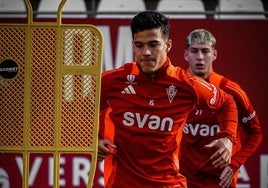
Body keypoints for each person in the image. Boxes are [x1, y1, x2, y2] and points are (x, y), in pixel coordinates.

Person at [97, 11, 238, 188]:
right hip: (122, 183)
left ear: (168, 45)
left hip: (169, 184)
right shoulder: (113, 81)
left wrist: (227, 138)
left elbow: (227, 103)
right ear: (133, 46)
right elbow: (81, 110)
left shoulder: (187, 85)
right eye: (139, 45)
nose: (146, 52)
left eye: (153, 44)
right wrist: (93, 140)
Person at [179, 29, 263, 188]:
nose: (200, 57)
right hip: (182, 179)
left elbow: (255, 132)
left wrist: (235, 164)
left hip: (220, 180)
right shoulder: (176, 88)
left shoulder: (231, 90)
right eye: (194, 51)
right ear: (186, 54)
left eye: (205, 51)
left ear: (215, 54)